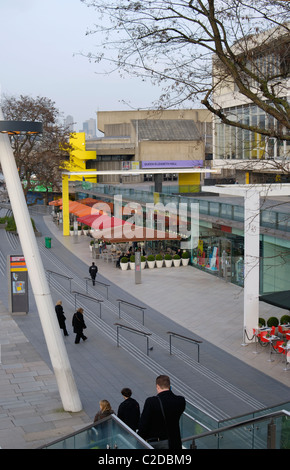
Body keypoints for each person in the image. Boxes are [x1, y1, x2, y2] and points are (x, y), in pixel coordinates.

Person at [138, 375, 185, 450]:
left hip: (156, 443)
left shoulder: (151, 402)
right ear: (169, 386)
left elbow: (143, 425)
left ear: (157, 386)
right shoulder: (181, 401)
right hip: (174, 443)